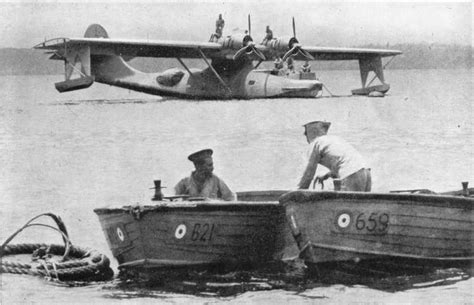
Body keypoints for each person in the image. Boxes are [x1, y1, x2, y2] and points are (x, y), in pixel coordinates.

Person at [297, 121, 371, 192]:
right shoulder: (333, 139)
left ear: (311, 131)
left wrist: (296, 194)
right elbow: (343, 161)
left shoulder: (316, 143)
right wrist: (327, 175)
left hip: (352, 173)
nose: (305, 134)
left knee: (346, 204)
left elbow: (308, 175)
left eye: (306, 132)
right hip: (366, 172)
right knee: (361, 204)